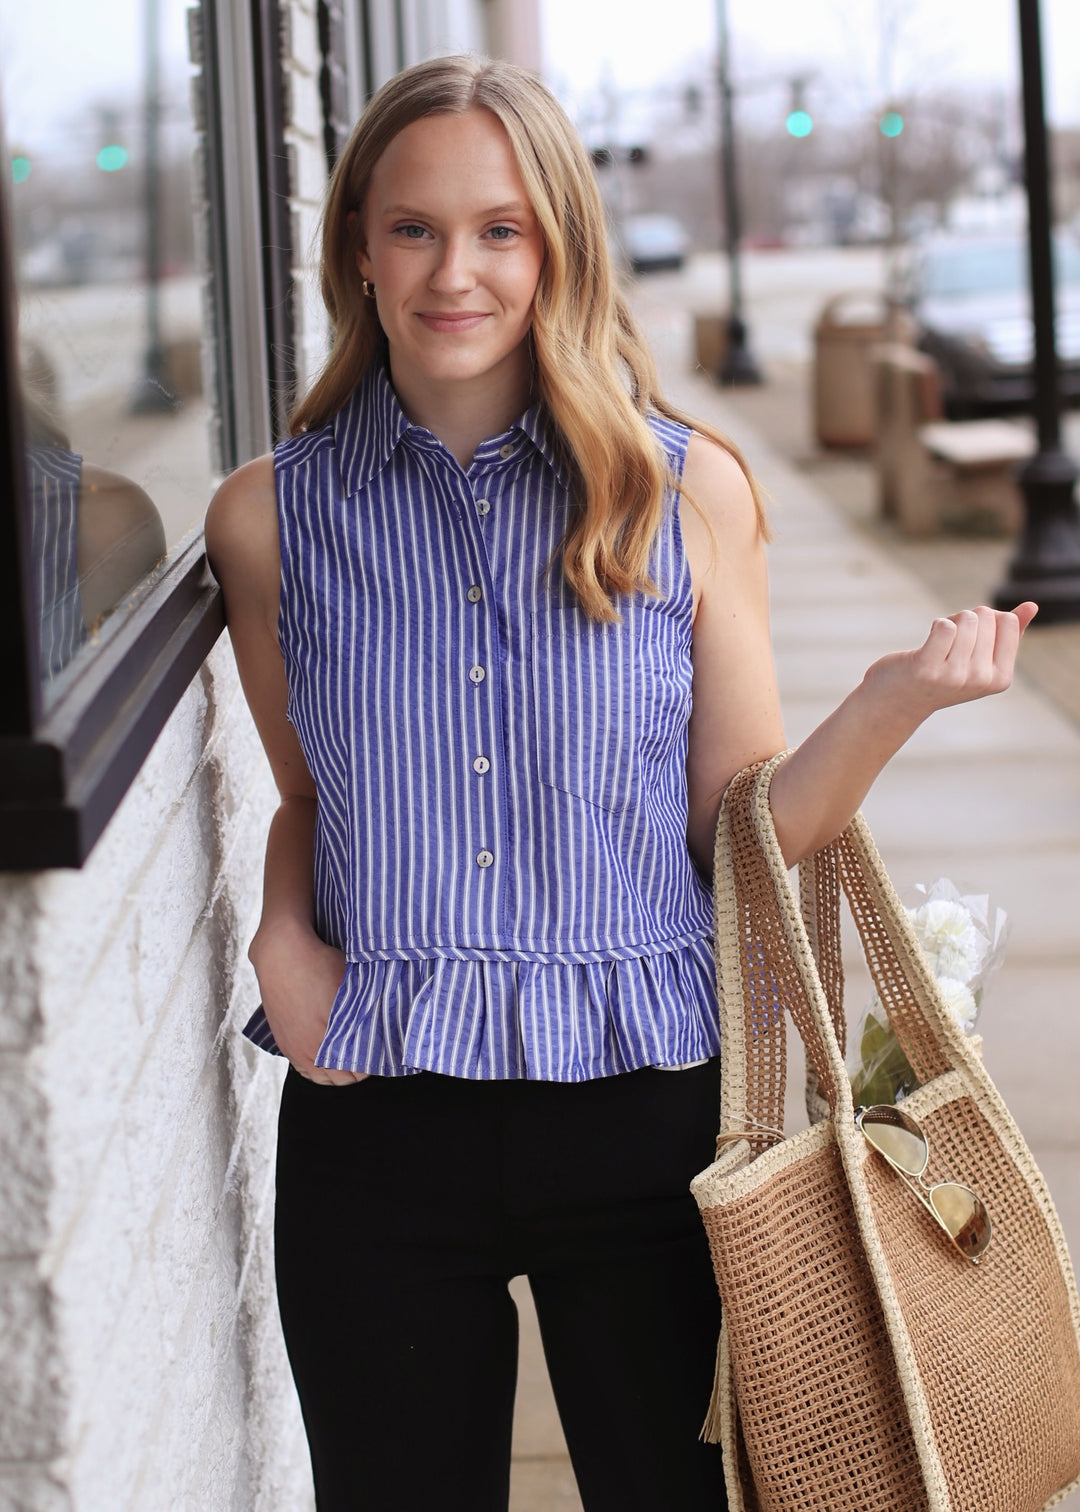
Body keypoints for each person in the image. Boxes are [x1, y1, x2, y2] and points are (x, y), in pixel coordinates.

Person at [205, 53, 1036, 1512]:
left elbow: (746, 840)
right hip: (375, 1116)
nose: (454, 269)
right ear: (356, 249)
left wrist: (891, 703)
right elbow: (310, 793)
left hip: (652, 1125)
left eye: (500, 230)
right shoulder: (270, 520)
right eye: (413, 228)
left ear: (560, 248)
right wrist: (281, 933)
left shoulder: (683, 492)